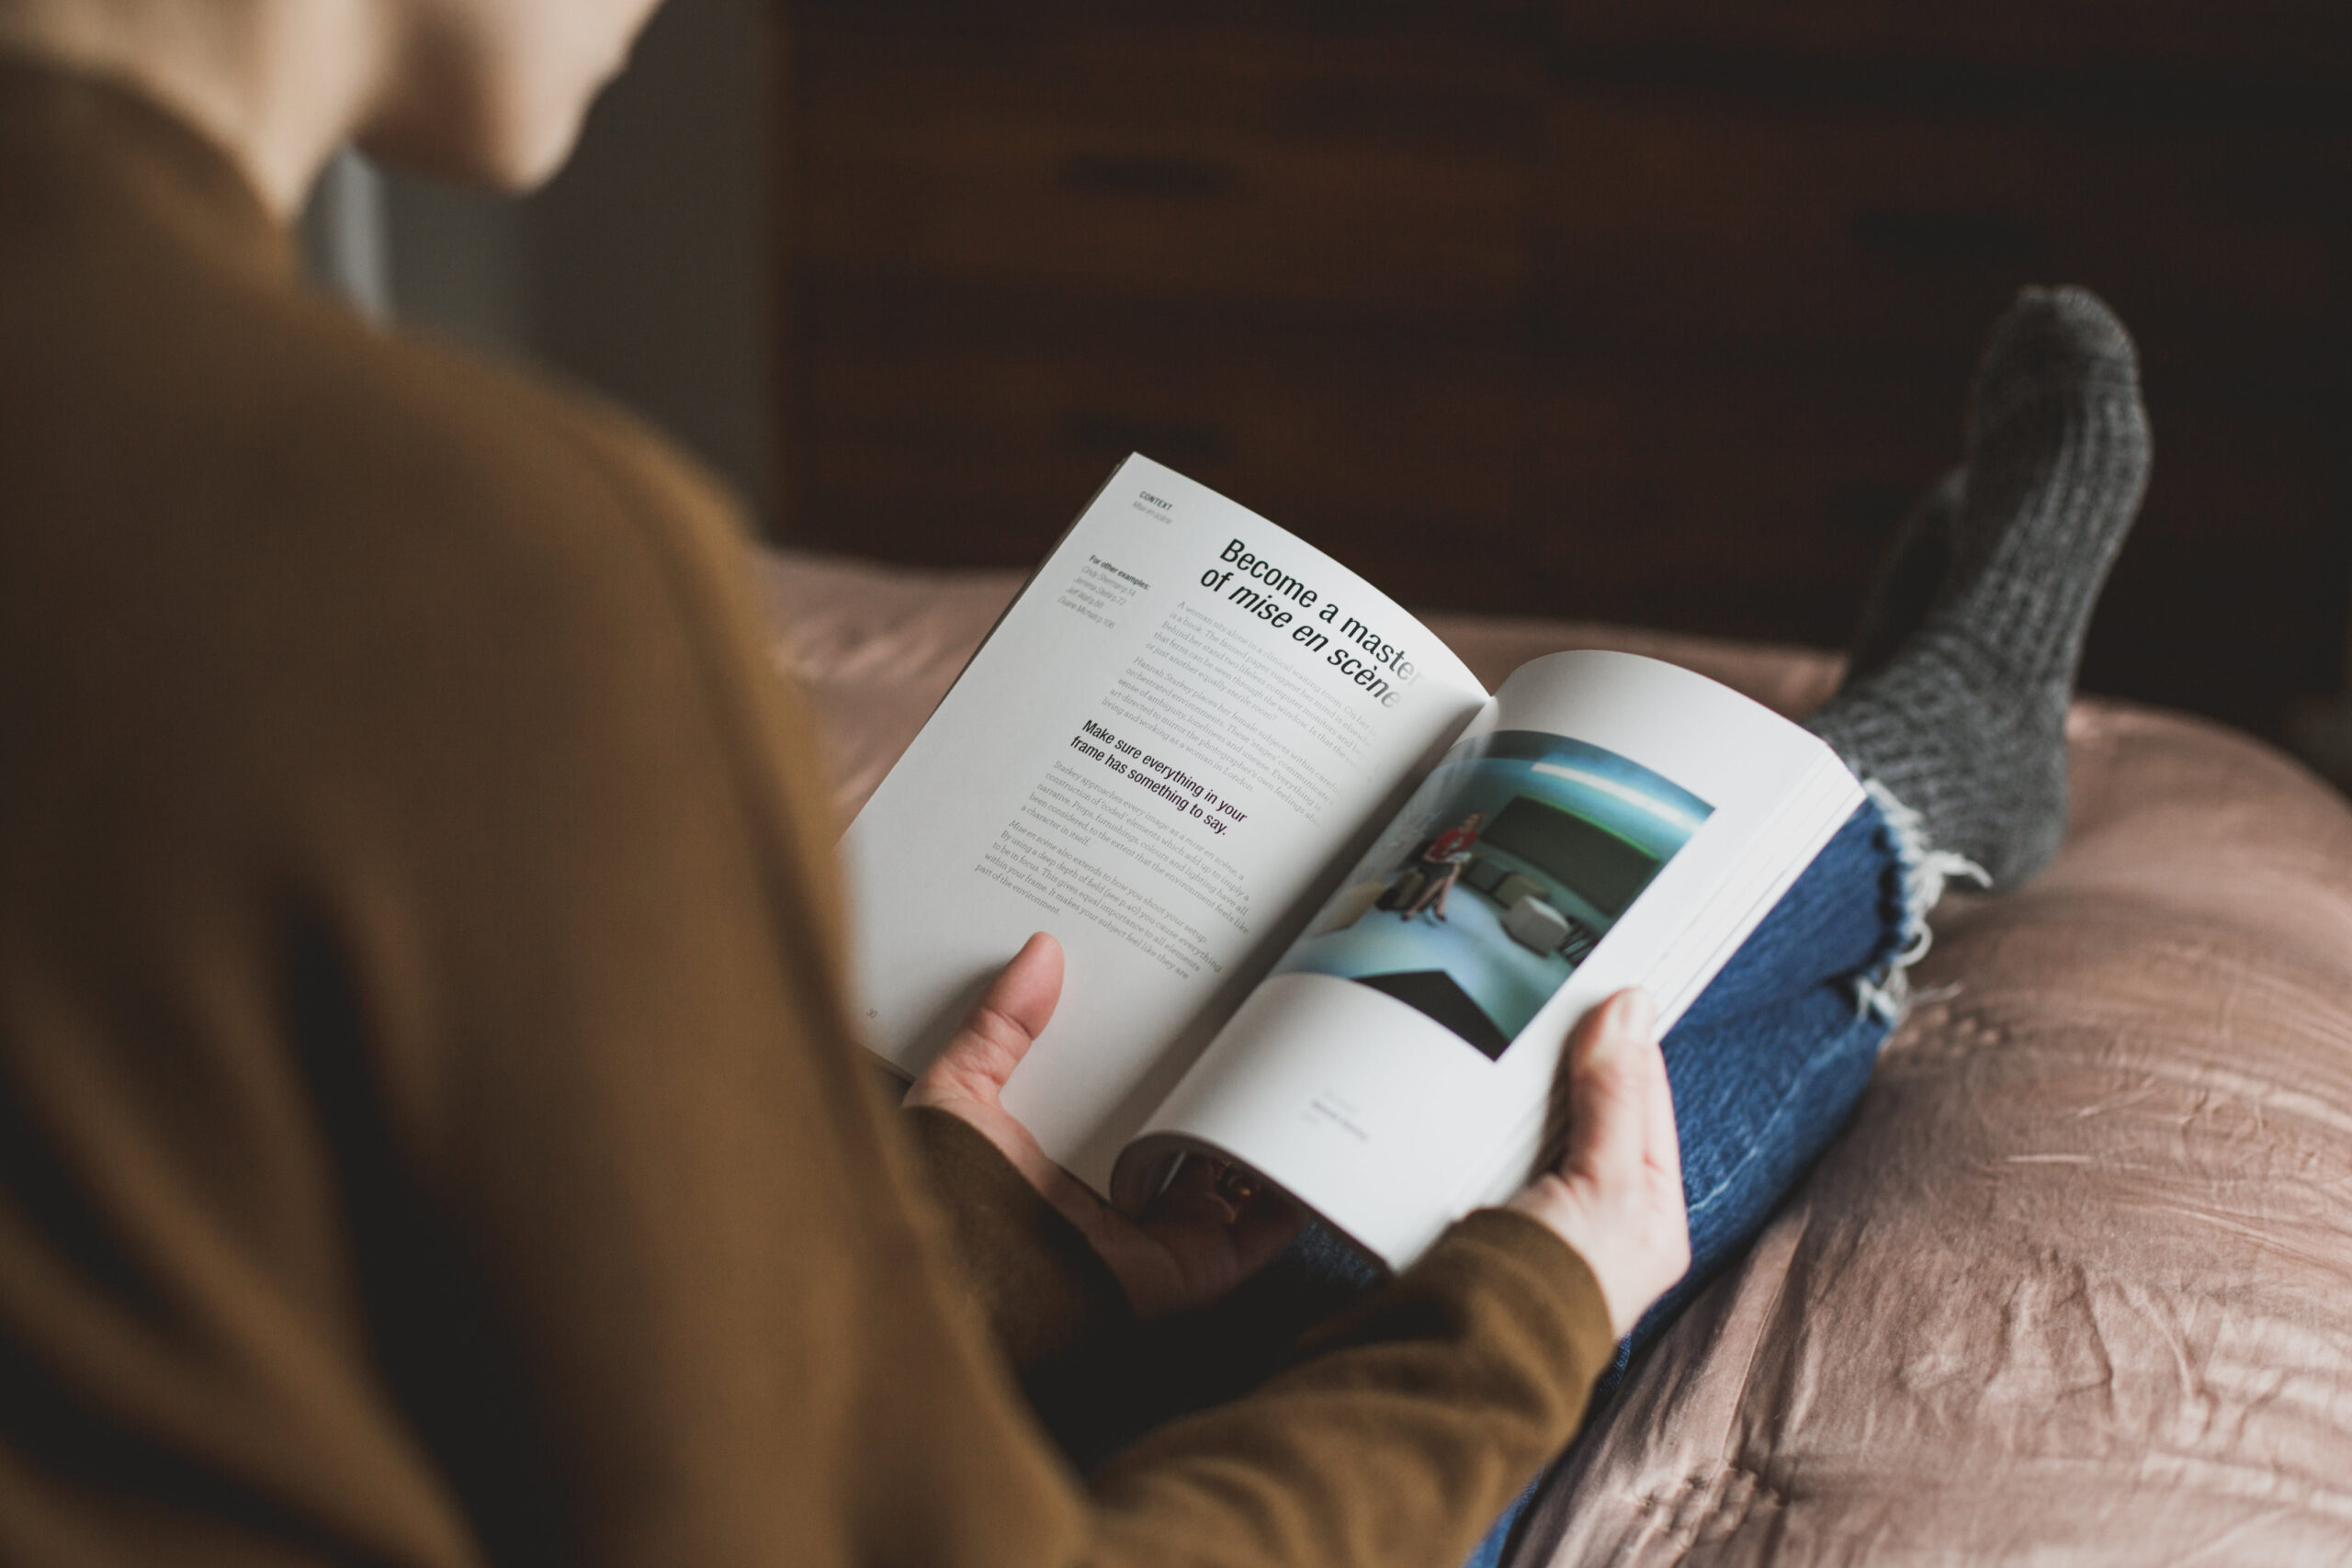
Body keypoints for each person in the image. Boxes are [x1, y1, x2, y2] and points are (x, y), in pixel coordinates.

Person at [0, 6, 2149, 1568]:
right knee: (1491, 1191)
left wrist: (980, 1242)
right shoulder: (469, 567)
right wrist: (1525, 1319)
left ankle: (1900, 786)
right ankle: (1902, 806)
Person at [1396, 811, 1485, 920]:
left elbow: (1461, 850)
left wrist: (1460, 858)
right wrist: (1438, 861)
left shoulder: (1472, 835)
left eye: (1474, 820)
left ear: (1476, 824)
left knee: (1453, 868)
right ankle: (1438, 905)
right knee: (1446, 876)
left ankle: (1416, 909)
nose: (1469, 821)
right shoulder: (1451, 833)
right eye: (1470, 818)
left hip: (1447, 863)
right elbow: (1425, 856)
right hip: (1432, 862)